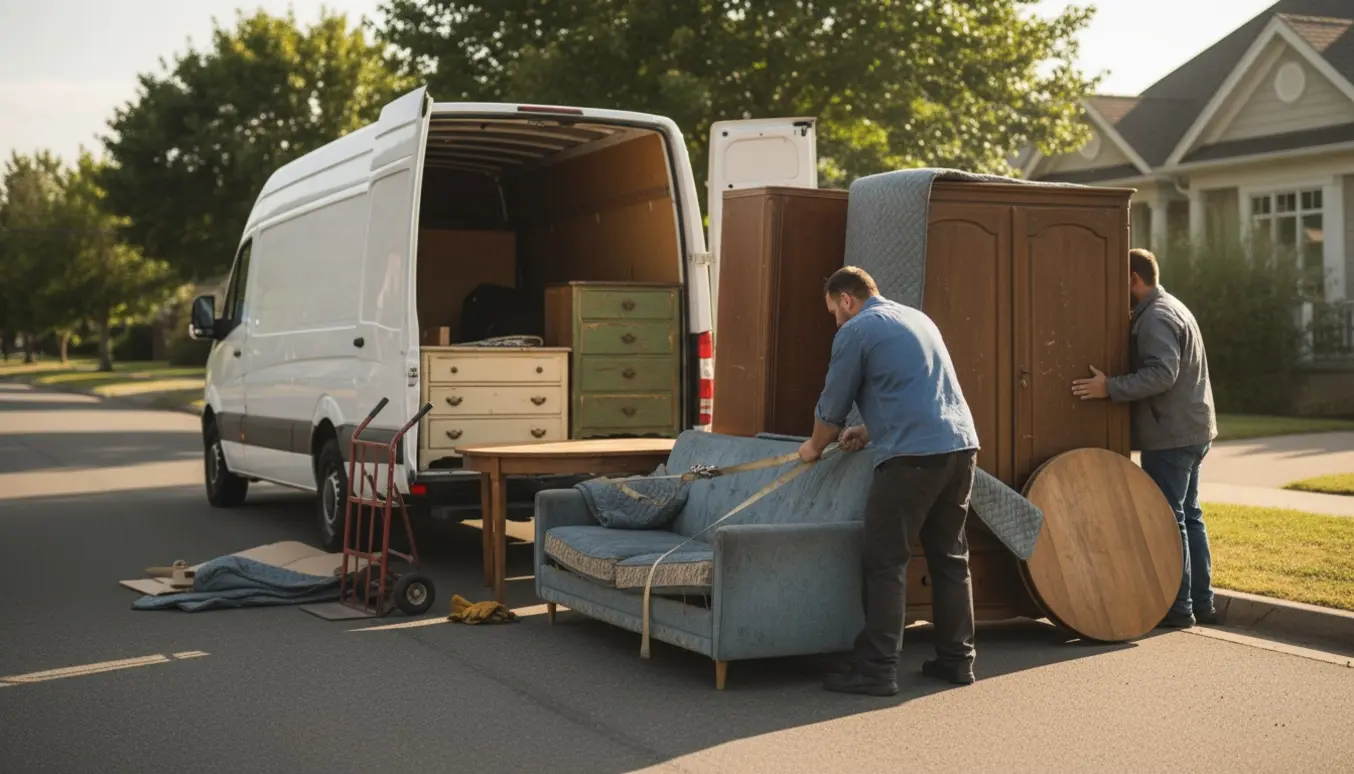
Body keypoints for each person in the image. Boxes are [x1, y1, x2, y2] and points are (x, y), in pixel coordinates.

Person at [798, 266, 982, 696]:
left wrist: (813, 446)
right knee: (950, 559)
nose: (835, 321)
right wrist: (871, 429)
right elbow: (920, 391)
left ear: (847, 299)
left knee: (885, 562)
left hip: (913, 459)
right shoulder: (917, 318)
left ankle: (876, 670)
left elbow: (832, 407)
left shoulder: (857, 329)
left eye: (833, 311)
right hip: (960, 448)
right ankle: (957, 661)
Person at [1071, 248, 1218, 628]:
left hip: (1170, 434)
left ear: (1133, 279)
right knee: (1189, 516)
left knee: (1170, 521)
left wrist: (1110, 387)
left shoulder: (1155, 318)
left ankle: (1179, 609)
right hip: (1192, 429)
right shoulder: (1172, 306)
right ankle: (1202, 604)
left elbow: (1162, 373)